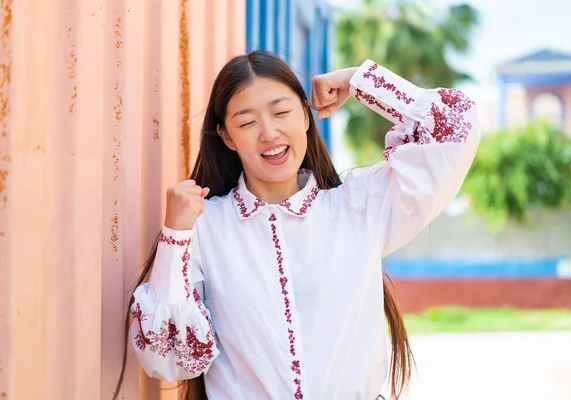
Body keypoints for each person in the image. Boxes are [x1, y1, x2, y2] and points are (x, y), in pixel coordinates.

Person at [113, 50, 479, 400]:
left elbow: (454, 131)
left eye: (281, 112)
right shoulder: (205, 229)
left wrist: (359, 80)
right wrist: (175, 236)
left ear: (305, 117)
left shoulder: (359, 205)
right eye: (246, 122)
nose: (269, 133)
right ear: (226, 136)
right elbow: (170, 360)